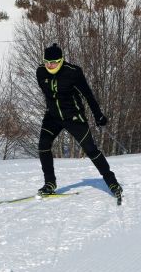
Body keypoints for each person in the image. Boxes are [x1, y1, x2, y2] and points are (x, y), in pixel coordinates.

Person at [36, 43, 123, 199]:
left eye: (54, 62)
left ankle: (112, 182)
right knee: (43, 146)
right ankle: (50, 183)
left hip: (74, 117)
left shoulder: (73, 72)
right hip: (53, 117)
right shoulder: (40, 72)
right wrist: (53, 110)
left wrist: (98, 115)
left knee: (91, 149)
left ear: (61, 60)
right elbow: (49, 95)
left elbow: (88, 95)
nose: (50, 65)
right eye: (47, 62)